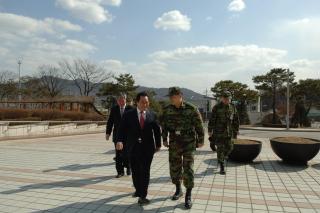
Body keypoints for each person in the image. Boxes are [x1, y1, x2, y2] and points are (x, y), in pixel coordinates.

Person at [161, 87, 204, 209]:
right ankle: (178, 189)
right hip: (174, 142)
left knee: (188, 168)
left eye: (173, 97)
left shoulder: (191, 109)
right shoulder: (167, 109)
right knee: (174, 167)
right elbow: (164, 126)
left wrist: (201, 139)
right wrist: (164, 138)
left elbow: (199, 125)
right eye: (170, 97)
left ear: (180, 96)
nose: (171, 99)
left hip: (189, 143)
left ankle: (188, 195)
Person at [116, 91, 161, 206]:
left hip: (148, 149)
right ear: (137, 102)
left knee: (145, 172)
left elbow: (156, 131)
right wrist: (119, 140)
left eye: (147, 102)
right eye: (142, 102)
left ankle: (143, 196)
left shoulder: (152, 115)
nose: (145, 105)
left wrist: (159, 144)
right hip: (133, 148)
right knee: (135, 172)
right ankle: (138, 190)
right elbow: (121, 129)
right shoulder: (128, 114)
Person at [208, 91, 240, 175]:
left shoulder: (233, 107)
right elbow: (212, 120)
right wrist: (210, 130)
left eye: (228, 98)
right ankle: (222, 165)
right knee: (220, 148)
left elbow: (236, 120)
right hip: (218, 132)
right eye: (225, 98)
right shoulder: (216, 107)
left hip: (229, 132)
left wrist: (236, 131)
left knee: (230, 147)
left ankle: (223, 157)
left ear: (230, 98)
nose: (226, 100)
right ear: (222, 98)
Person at [106, 93, 133, 178]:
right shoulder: (114, 109)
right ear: (117, 101)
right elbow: (110, 122)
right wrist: (108, 133)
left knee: (127, 154)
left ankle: (128, 167)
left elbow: (135, 122)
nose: (121, 101)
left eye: (122, 99)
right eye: (119, 100)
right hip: (117, 136)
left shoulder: (131, 109)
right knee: (118, 155)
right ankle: (120, 172)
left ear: (125, 100)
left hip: (128, 136)